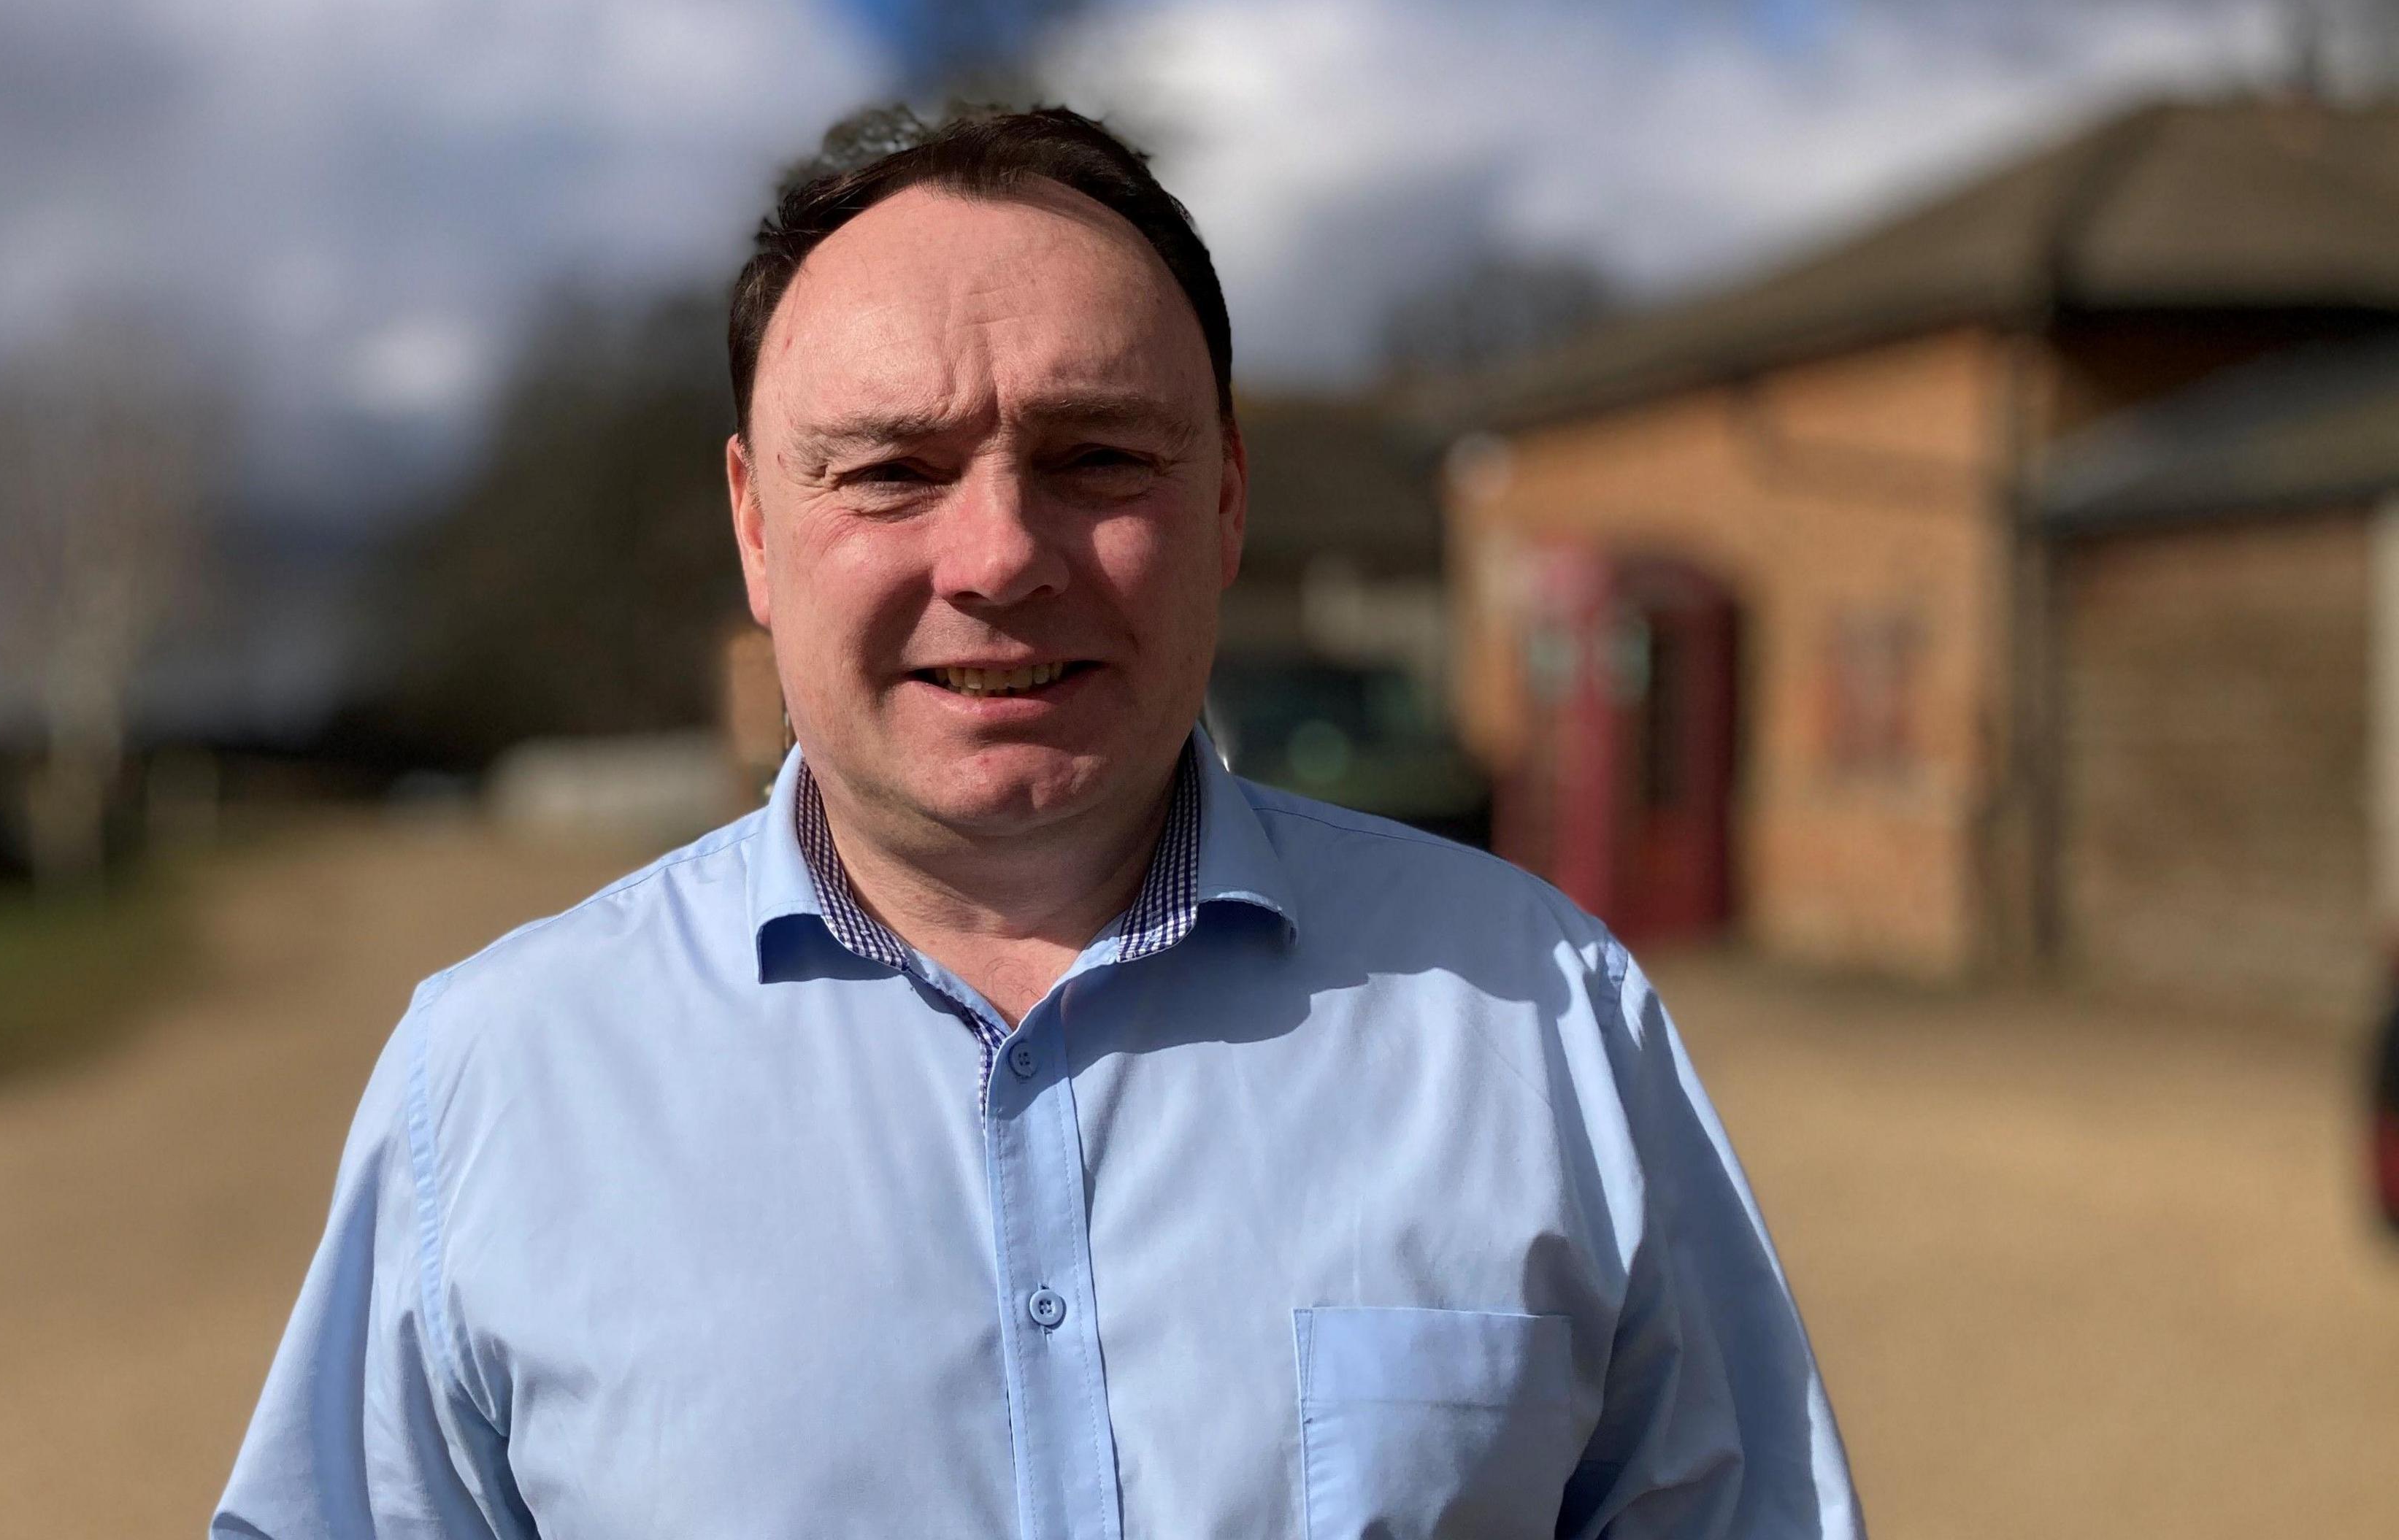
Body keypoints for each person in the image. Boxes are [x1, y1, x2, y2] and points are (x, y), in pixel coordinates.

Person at [213, 106, 1864, 1540]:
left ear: (1224, 500)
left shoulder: (1540, 1016)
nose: (1000, 556)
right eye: (890, 470)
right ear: (755, 529)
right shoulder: (500, 1079)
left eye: (1093, 456)